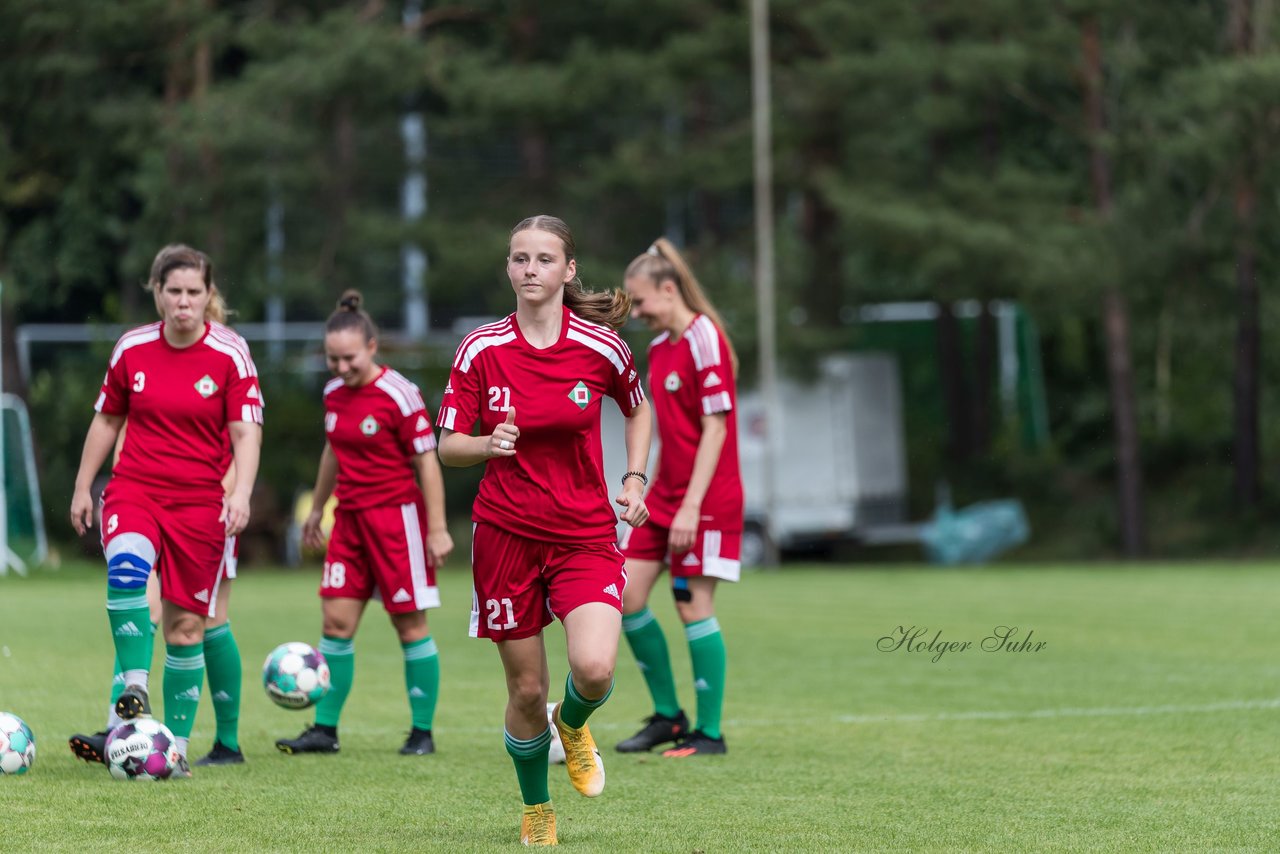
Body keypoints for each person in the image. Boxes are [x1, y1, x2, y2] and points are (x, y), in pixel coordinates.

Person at [437, 215, 651, 846]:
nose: (530, 270)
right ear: (509, 268)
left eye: (544, 259)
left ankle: (576, 725)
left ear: (568, 270)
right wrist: (487, 443)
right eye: (520, 259)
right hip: (505, 536)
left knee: (593, 668)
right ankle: (537, 810)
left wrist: (634, 479)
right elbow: (448, 447)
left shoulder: (602, 348)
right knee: (525, 690)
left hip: (583, 533)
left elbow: (638, 411)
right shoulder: (481, 349)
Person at [69, 244, 263, 778]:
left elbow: (246, 430)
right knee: (127, 568)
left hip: (202, 504)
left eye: (193, 292)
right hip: (136, 489)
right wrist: (84, 485)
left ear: (208, 295)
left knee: (186, 628)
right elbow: (108, 420)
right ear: (156, 293)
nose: (183, 302)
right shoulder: (131, 348)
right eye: (173, 291)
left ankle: (172, 748)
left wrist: (240, 491)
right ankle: (132, 688)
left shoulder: (230, 353)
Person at [276, 290, 453, 757]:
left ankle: (421, 733)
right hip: (350, 522)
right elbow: (333, 450)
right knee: (335, 622)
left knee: (409, 625)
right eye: (332, 359)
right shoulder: (334, 393)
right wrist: (317, 510)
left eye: (349, 358)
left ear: (372, 347)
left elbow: (428, 463)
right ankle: (325, 730)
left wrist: (436, 528)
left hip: (398, 521)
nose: (340, 368)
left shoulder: (401, 393)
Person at [614, 237, 743, 757]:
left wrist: (691, 505)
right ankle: (669, 717)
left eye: (641, 300)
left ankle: (709, 734)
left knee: (692, 605)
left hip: (706, 500)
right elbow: (669, 432)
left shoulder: (703, 336)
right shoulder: (659, 347)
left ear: (668, 289)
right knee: (625, 596)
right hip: (666, 497)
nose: (637, 311)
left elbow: (715, 429)